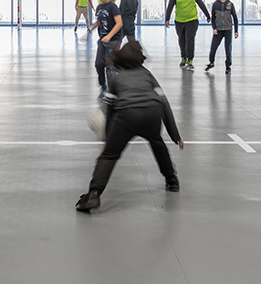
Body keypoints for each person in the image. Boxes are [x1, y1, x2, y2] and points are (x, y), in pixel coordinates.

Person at [75, 41, 183, 212]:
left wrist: (106, 138)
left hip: (126, 117)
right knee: (158, 144)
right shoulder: (148, 75)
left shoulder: (117, 79)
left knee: (109, 156)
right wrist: (175, 135)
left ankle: (94, 194)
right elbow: (164, 102)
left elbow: (110, 110)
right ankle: (172, 181)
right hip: (151, 114)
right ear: (140, 59)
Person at [165, 0, 211, 69]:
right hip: (179, 21)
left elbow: (201, 4)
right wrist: (167, 19)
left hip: (192, 20)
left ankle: (190, 59)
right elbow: (170, 7)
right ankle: (183, 57)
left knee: (190, 39)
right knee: (182, 40)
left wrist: (207, 15)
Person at [90, 0, 123, 93]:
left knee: (110, 66)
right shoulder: (99, 7)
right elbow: (100, 21)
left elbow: (119, 23)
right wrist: (93, 27)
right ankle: (102, 86)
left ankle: (113, 90)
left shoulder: (113, 7)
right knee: (99, 64)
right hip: (102, 40)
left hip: (114, 40)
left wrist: (109, 36)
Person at [205, 0, 239, 75]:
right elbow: (213, 18)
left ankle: (228, 66)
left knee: (228, 49)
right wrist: (214, 28)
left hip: (228, 30)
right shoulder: (215, 4)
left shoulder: (230, 4)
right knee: (213, 48)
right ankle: (211, 62)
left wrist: (236, 30)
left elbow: (235, 18)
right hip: (218, 30)